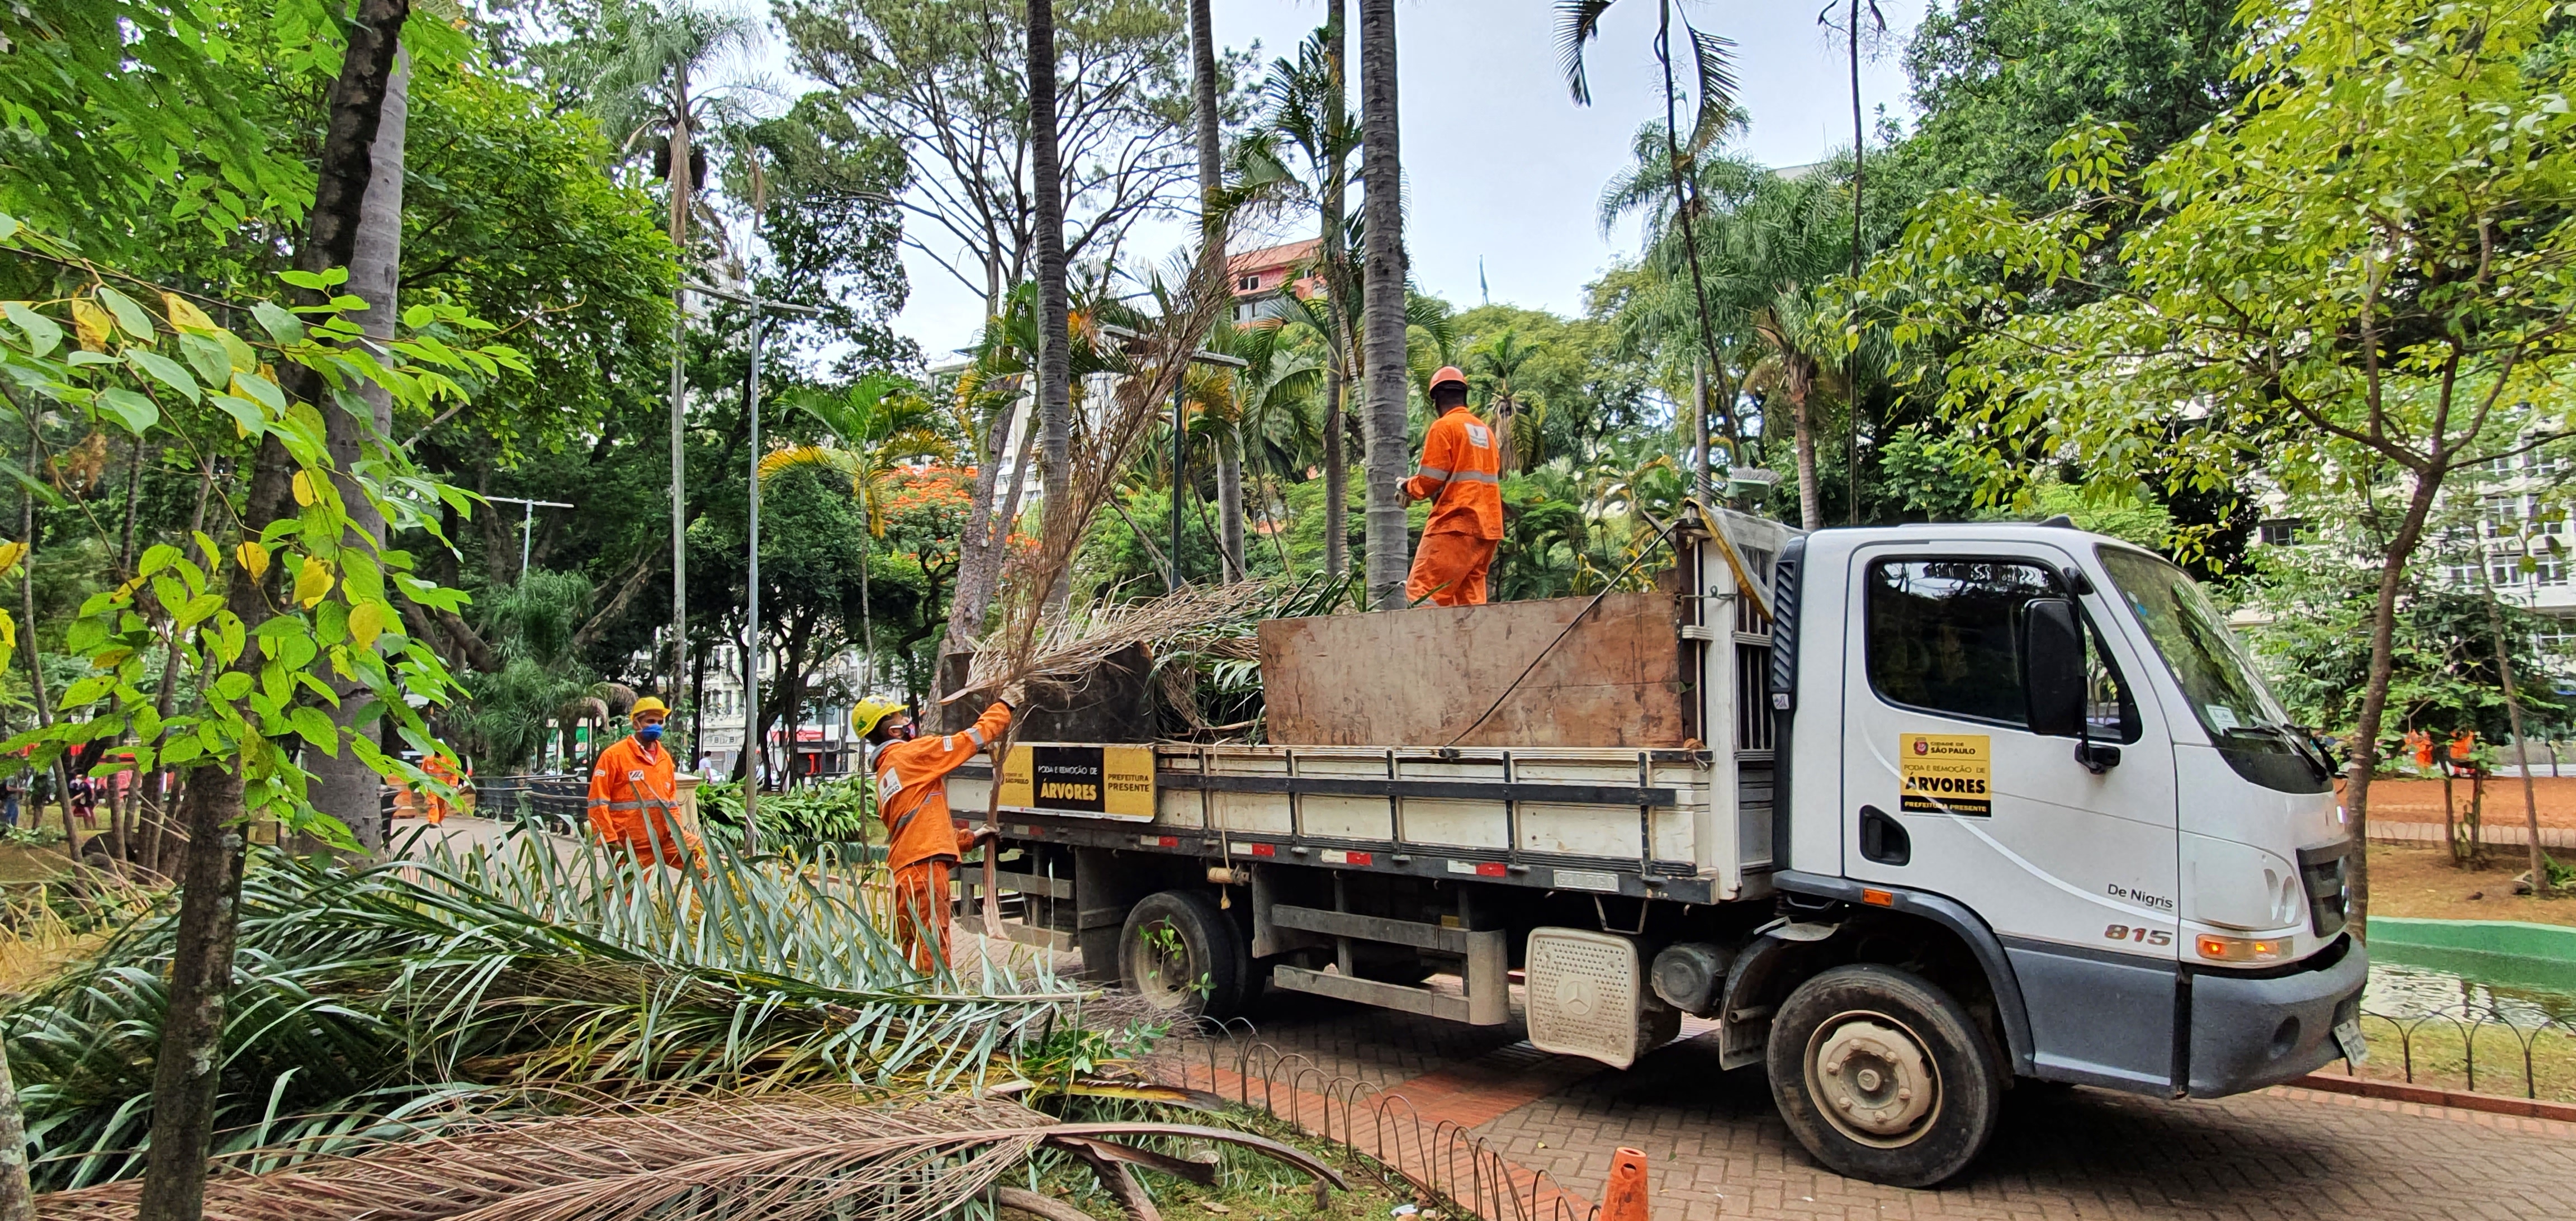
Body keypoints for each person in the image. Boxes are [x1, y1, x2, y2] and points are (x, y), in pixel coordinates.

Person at [855, 689, 1019, 972]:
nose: (909, 722)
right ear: (894, 731)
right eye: (902, 718)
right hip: (925, 870)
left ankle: (911, 1004)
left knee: (912, 946)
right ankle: (935, 1005)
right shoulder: (911, 754)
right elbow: (970, 740)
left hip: (907, 869)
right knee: (933, 944)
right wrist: (1005, 706)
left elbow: (916, 824)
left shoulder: (887, 772)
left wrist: (969, 839)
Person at [1403, 366, 1504, 607]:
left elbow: (1429, 480)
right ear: (1463, 396)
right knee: (1468, 601)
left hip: (1455, 524)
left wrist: (1408, 488)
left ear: (1436, 400)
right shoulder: (1485, 432)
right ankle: (1471, 645)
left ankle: (1426, 644)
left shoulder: (1444, 427)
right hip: (1487, 529)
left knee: (1423, 593)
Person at [586, 696, 702, 869]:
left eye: (659, 721)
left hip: (665, 839)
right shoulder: (614, 756)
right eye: (650, 721)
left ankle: (697, 897)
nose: (656, 725)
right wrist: (609, 839)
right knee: (630, 895)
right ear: (636, 724)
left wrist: (676, 831)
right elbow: (598, 802)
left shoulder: (664, 759)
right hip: (631, 844)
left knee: (703, 858)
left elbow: (671, 802)